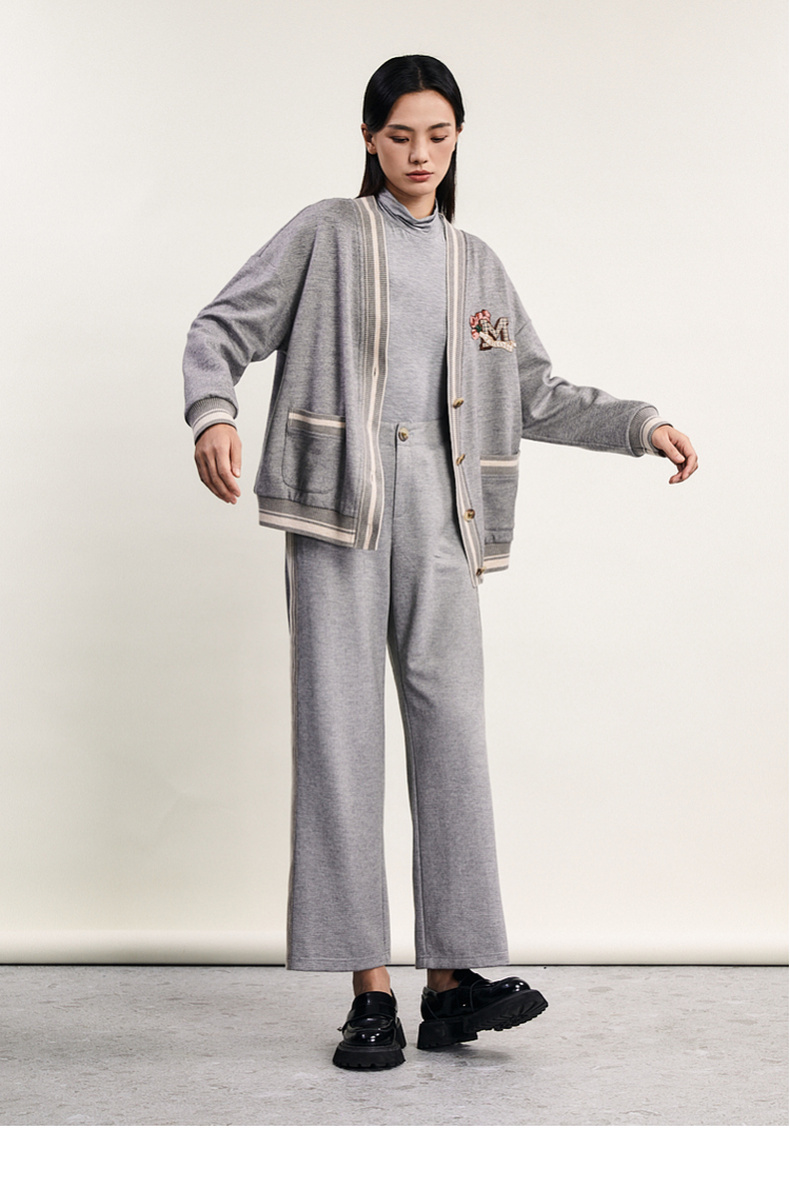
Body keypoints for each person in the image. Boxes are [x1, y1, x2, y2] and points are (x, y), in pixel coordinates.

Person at [182, 54, 698, 1072]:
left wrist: (641, 424)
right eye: (400, 136)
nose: (420, 154)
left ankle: (452, 980)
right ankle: (369, 989)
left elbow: (536, 393)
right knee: (341, 739)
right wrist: (212, 412)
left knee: (452, 737)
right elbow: (220, 327)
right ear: (369, 139)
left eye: (438, 136)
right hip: (338, 513)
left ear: (458, 139)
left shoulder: (477, 265)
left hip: (448, 526)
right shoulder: (327, 233)